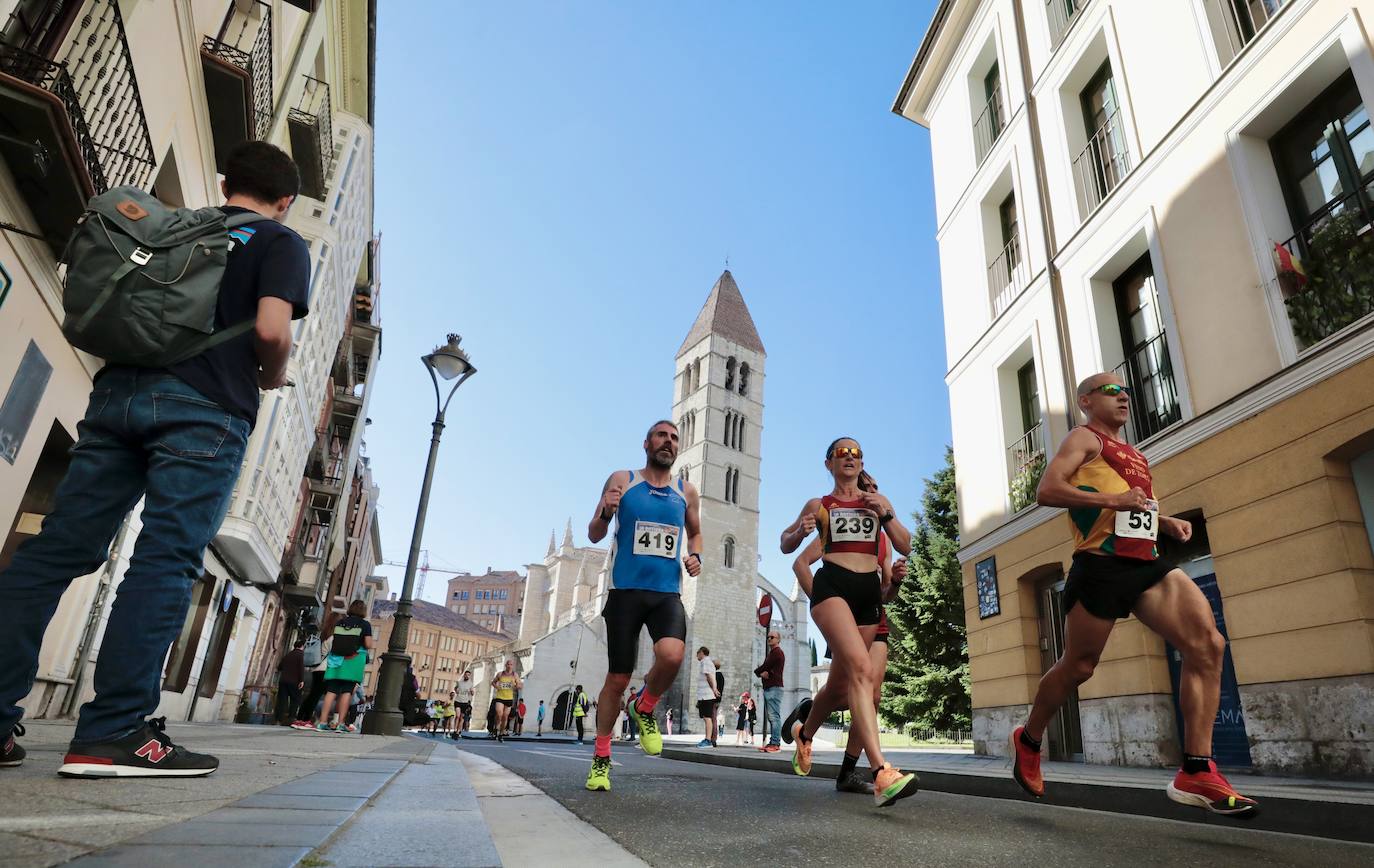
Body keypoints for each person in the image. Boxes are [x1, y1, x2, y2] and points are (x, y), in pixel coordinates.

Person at [0, 141, 308, 777]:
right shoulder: (280, 243)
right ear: (285, 202)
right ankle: (111, 733)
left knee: (57, 551)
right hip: (205, 410)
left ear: (227, 183)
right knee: (164, 558)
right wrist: (270, 375)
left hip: (118, 395)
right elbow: (273, 330)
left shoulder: (179, 227)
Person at [1011, 374, 1257, 816]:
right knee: (1079, 666)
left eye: (1125, 390)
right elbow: (1047, 491)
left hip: (1146, 563)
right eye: (1110, 390)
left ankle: (1196, 771)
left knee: (1207, 644)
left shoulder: (1137, 455)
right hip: (1100, 566)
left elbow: (1138, 503)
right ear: (1086, 401)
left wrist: (1167, 523)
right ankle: (1028, 738)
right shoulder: (1083, 439)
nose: (1123, 395)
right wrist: (1113, 501)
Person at [776, 437, 920, 808]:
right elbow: (786, 545)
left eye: (857, 453)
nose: (851, 458)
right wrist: (801, 533)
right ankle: (880, 772)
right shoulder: (821, 505)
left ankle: (803, 732)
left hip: (868, 598)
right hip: (833, 587)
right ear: (829, 464)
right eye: (843, 453)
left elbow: (904, 545)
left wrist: (885, 513)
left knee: (846, 687)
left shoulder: (877, 506)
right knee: (861, 670)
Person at [583, 420, 703, 792]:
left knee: (672, 655)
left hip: (666, 592)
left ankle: (645, 705)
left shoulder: (686, 492)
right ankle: (601, 759)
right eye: (661, 436)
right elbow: (595, 533)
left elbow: (696, 531)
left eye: (673, 438)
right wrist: (605, 510)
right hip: (625, 593)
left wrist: (696, 554)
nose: (668, 442)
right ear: (647, 444)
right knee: (617, 678)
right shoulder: (623, 479)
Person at [792, 474, 904, 795]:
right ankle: (879, 769)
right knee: (848, 684)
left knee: (870, 692)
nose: (868, 497)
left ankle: (845, 770)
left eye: (873, 491)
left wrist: (894, 581)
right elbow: (801, 562)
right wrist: (829, 601)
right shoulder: (838, 523)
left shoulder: (882, 537)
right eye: (864, 491)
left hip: (873, 618)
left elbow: (885, 595)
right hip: (841, 616)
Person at [314, 600, 373, 733]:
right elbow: (368, 644)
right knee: (347, 692)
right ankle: (340, 723)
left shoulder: (340, 622)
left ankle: (322, 722)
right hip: (353, 661)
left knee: (331, 691)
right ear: (364, 611)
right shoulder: (365, 624)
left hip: (336, 659)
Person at [754, 630, 785, 752]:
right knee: (772, 717)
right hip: (770, 687)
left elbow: (764, 667)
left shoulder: (777, 653)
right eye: (768, 637)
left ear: (778, 639)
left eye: (772, 637)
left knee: (774, 717)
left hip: (774, 688)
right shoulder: (772, 653)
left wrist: (759, 672)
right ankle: (772, 743)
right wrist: (763, 673)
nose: (769, 639)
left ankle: (775, 744)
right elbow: (766, 669)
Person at [276, 640, 306, 726]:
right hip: (294, 681)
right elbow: (301, 668)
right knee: (295, 700)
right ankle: (291, 718)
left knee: (282, 700)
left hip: (283, 680)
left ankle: (279, 718)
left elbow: (279, 667)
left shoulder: (288, 654)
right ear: (302, 646)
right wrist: (301, 680)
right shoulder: (301, 655)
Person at [491, 660, 521, 742]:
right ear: (505, 665)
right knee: (499, 713)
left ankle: (500, 734)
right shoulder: (500, 674)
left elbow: (519, 685)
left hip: (509, 698)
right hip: (500, 697)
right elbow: (493, 682)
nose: (509, 666)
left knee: (505, 717)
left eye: (511, 664)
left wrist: (515, 686)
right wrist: (497, 687)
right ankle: (496, 727)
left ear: (513, 666)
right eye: (508, 664)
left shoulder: (515, 675)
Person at [695, 647, 719, 748]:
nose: (697, 656)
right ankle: (707, 739)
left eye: (698, 653)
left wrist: (714, 689)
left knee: (707, 718)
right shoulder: (708, 662)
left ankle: (708, 740)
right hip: (705, 695)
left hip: (706, 695)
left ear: (702, 653)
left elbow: (709, 676)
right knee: (706, 718)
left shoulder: (705, 662)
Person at [452, 671, 474, 737]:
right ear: (464, 675)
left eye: (468, 675)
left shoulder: (470, 684)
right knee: (458, 716)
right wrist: (456, 691)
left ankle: (458, 731)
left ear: (469, 676)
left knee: (462, 718)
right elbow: (455, 688)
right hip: (458, 701)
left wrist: (472, 692)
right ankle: (455, 730)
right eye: (466, 674)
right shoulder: (459, 682)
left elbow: (472, 693)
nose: (467, 676)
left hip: (465, 702)